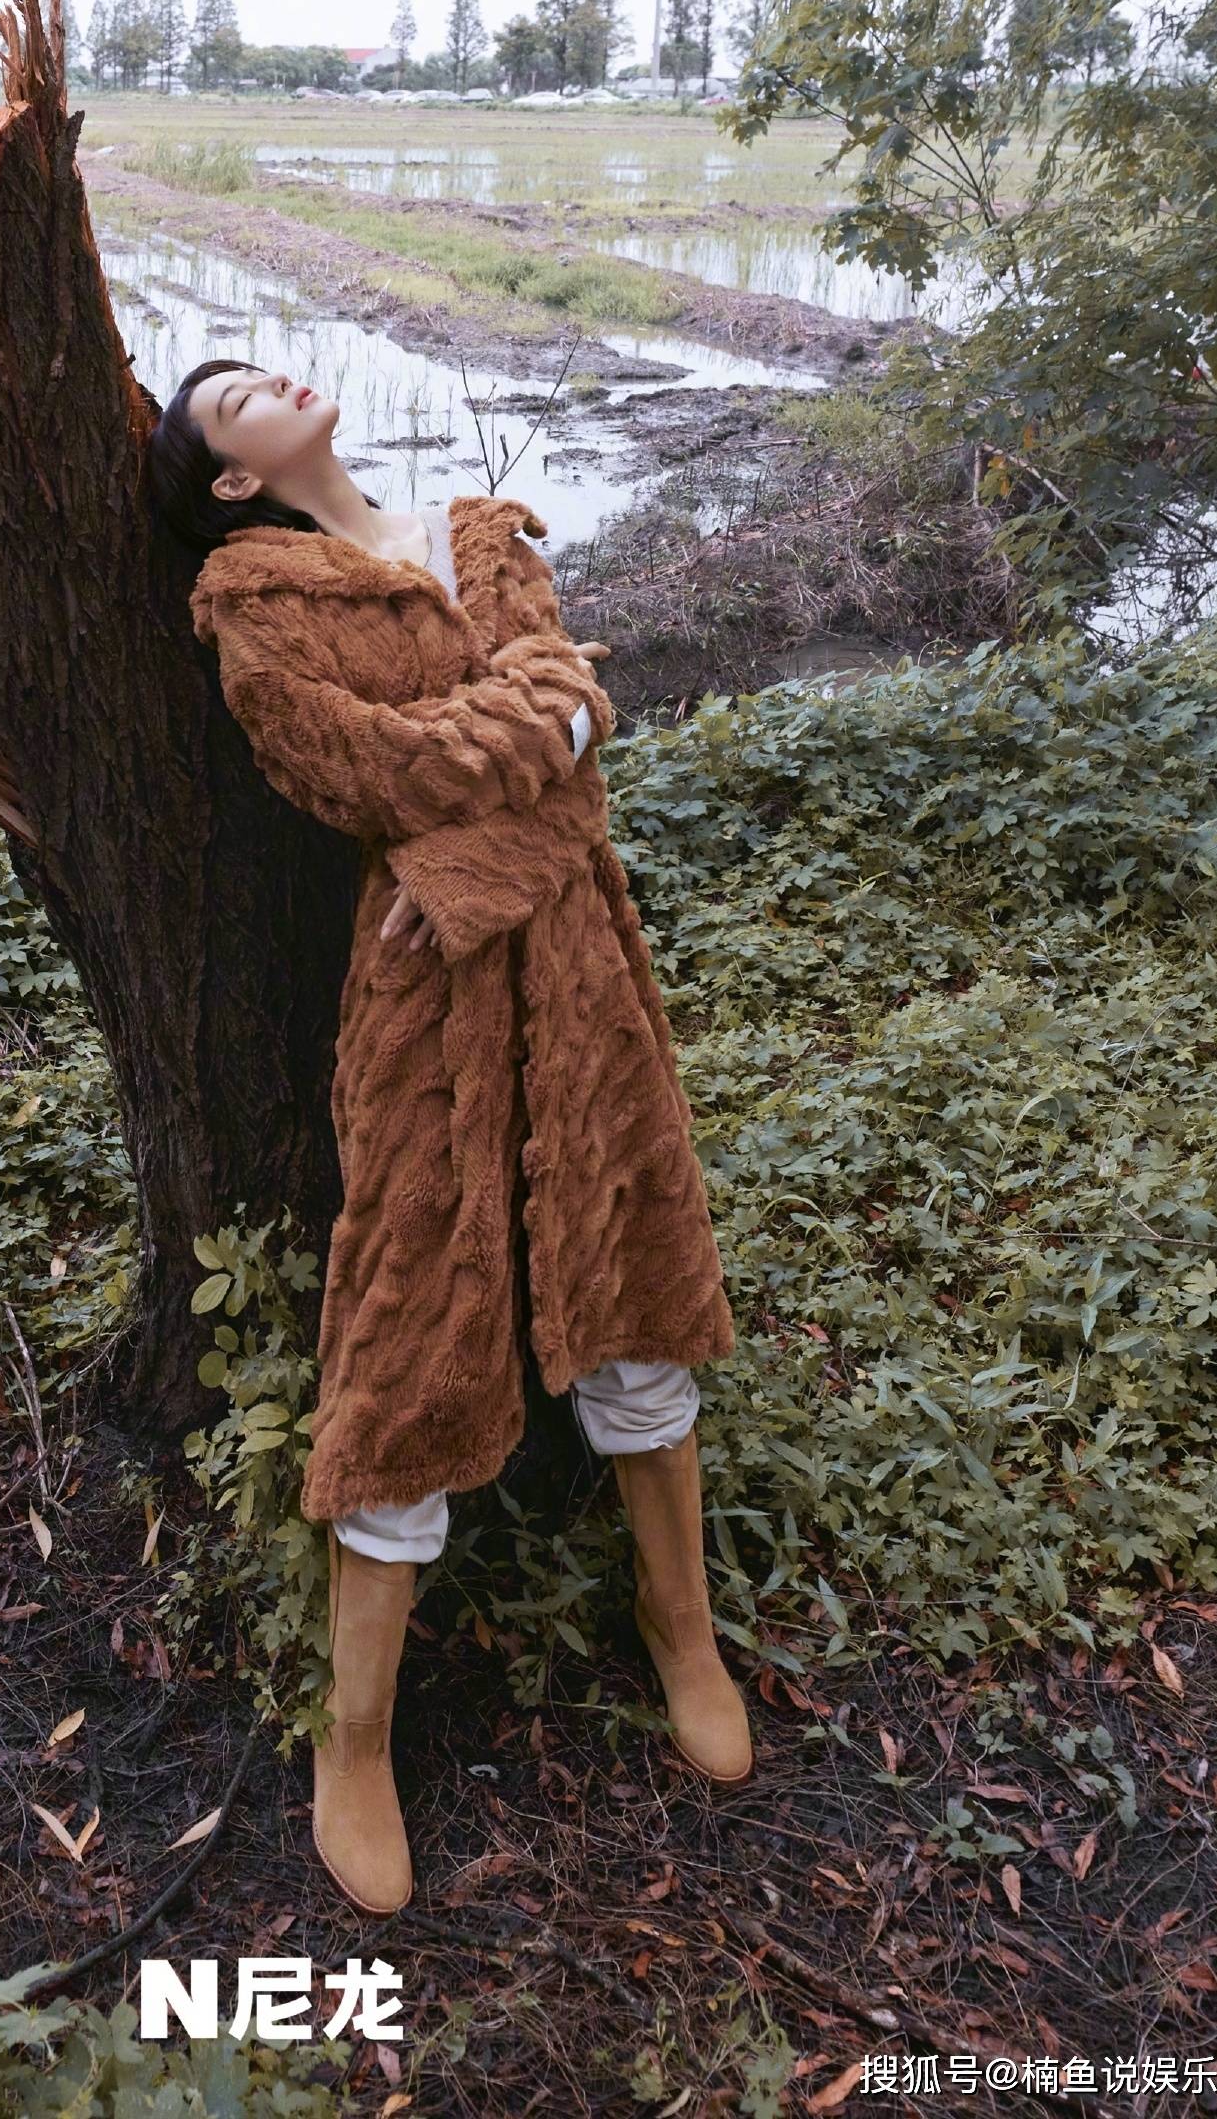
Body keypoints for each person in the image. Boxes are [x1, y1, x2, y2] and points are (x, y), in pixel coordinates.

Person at [148, 357, 752, 1919]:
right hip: (422, 991)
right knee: (412, 1309)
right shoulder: (255, 607)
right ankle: (357, 1740)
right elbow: (367, 774)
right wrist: (531, 731)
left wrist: (518, 755)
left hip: (583, 963)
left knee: (626, 1249)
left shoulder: (486, 534)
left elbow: (579, 725)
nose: (267, 377)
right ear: (230, 480)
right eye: (230, 401)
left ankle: (679, 1624)